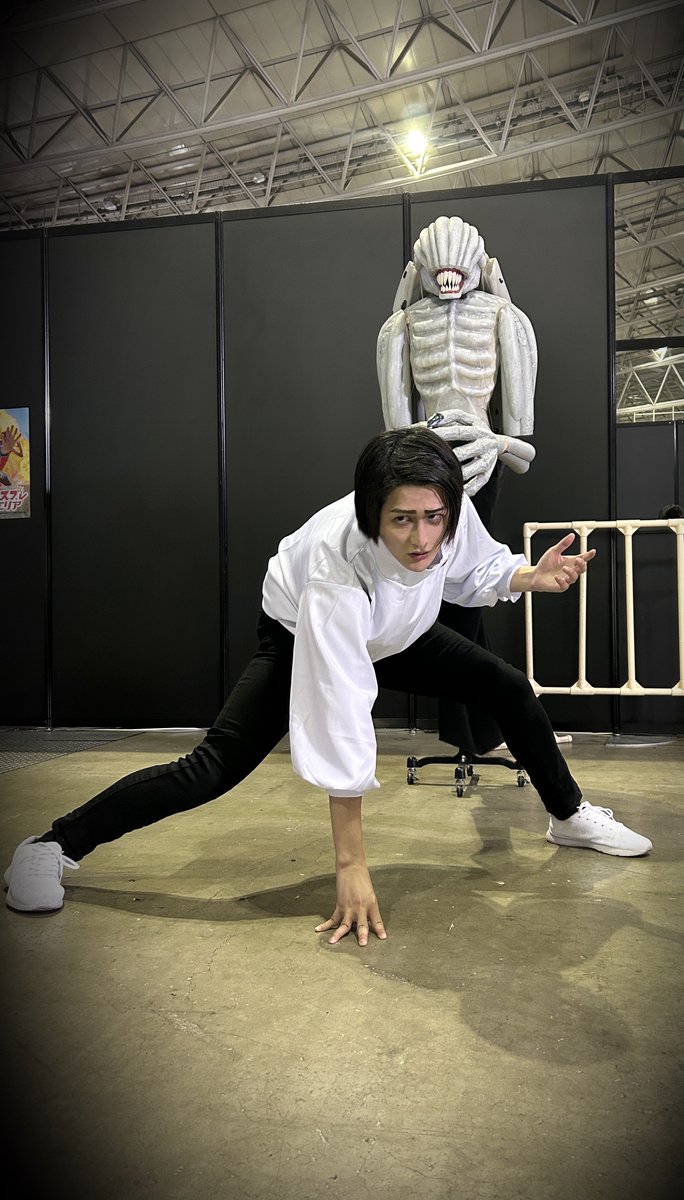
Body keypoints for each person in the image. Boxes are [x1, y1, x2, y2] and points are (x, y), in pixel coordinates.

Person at [4, 429, 652, 942]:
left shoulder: (441, 513)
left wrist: (527, 577)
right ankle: (52, 845)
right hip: (300, 630)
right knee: (211, 769)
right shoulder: (336, 564)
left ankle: (568, 816)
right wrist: (351, 865)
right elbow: (342, 710)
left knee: (507, 686)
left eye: (434, 518)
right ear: (372, 513)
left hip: (396, 630)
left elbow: (472, 567)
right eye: (402, 521)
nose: (422, 538)